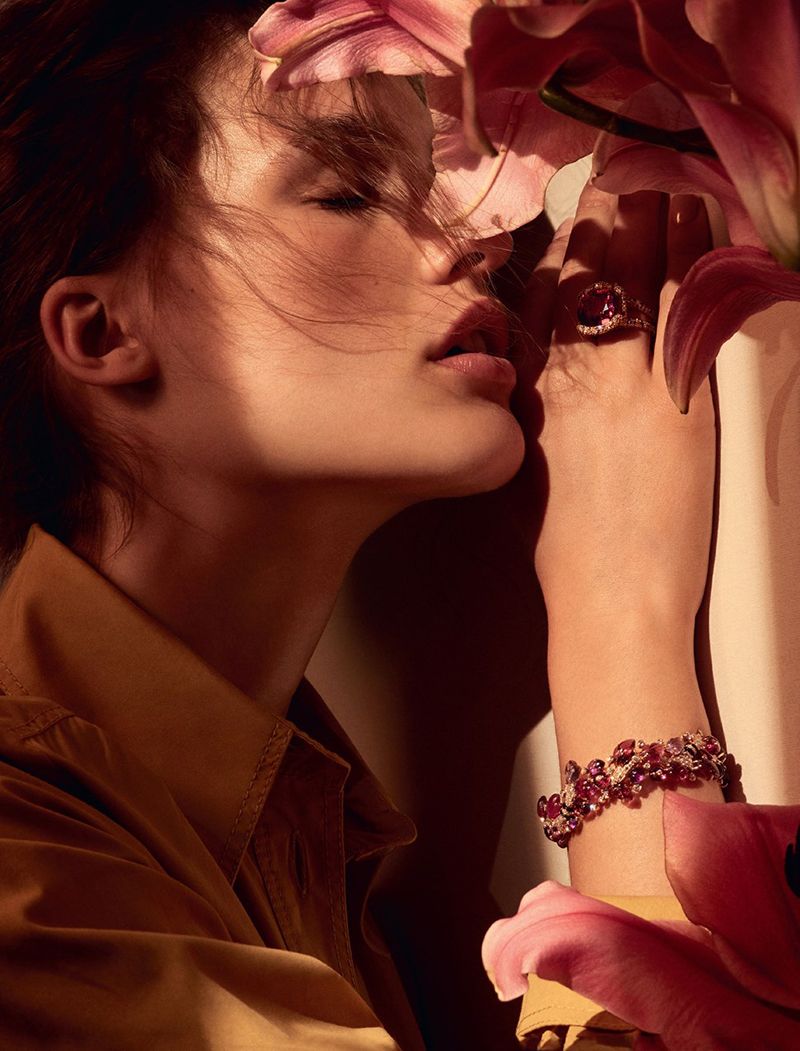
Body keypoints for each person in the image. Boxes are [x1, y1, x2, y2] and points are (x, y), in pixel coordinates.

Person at [0, 0, 721, 1048]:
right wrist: (620, 622)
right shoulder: (26, 861)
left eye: (431, 188)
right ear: (102, 329)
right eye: (345, 193)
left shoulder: (310, 842)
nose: (476, 239)